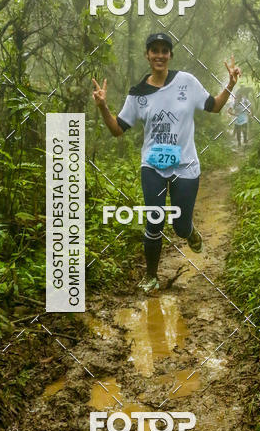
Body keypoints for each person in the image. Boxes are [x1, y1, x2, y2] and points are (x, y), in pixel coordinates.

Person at [92, 32, 241, 292]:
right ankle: (151, 276)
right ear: (147, 55)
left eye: (164, 50)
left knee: (180, 227)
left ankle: (190, 231)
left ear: (170, 55)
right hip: (153, 167)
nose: (159, 55)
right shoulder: (138, 93)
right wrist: (103, 106)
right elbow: (118, 129)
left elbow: (214, 106)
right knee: (155, 220)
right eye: (154, 50)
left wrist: (230, 84)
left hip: (186, 166)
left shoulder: (187, 82)